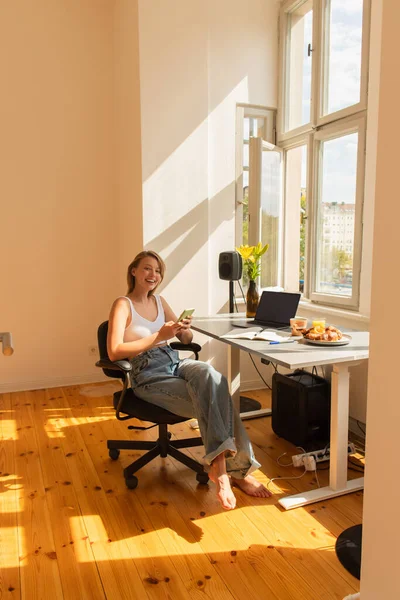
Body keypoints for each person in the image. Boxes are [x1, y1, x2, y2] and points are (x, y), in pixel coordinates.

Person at [107, 250, 271, 510]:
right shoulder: (122, 304)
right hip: (147, 372)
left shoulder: (160, 301)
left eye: (158, 270)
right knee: (216, 397)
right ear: (134, 271)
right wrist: (158, 335)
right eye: (147, 268)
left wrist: (183, 330)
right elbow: (114, 351)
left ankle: (223, 470)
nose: (154, 275)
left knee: (212, 377)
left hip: (173, 360)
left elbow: (185, 341)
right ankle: (231, 471)